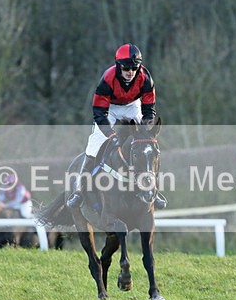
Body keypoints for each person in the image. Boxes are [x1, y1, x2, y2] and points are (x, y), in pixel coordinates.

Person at [66, 43, 166, 209]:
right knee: (94, 144)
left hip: (133, 105)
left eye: (134, 68)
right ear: (118, 66)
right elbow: (99, 113)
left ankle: (154, 191)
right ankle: (79, 190)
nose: (130, 72)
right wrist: (110, 135)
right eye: (126, 68)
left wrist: (147, 126)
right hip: (109, 109)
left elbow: (149, 109)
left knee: (148, 145)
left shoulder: (146, 78)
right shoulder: (107, 79)